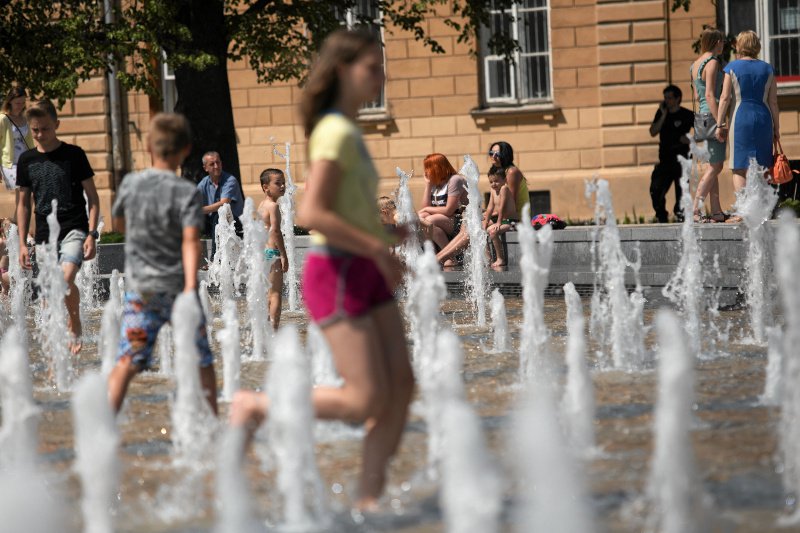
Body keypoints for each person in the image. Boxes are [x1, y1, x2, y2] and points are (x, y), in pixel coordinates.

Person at [230, 28, 414, 512]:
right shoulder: (334, 130)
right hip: (339, 273)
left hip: (364, 265)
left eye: (381, 66)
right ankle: (256, 407)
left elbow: (343, 209)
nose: (381, 76)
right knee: (362, 399)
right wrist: (377, 247)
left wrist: (391, 235)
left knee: (403, 385)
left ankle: (368, 498)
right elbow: (312, 212)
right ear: (342, 71)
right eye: (372, 67)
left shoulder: (348, 129)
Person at [107, 113, 217, 415]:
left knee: (128, 359)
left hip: (142, 293)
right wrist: (191, 289)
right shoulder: (186, 192)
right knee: (201, 359)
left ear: (147, 147)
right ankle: (212, 425)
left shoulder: (131, 184)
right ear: (186, 149)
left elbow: (118, 220)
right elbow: (190, 241)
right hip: (178, 289)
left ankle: (102, 428)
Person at [15, 99, 100, 354]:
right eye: (36, 130)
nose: (41, 135)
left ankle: (74, 324)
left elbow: (93, 199)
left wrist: (93, 234)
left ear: (57, 125)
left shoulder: (74, 155)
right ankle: (55, 349)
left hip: (74, 228)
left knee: (64, 280)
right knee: (50, 291)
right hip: (44, 236)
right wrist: (21, 242)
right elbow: (22, 205)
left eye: (46, 129)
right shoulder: (27, 160)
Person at [716, 30, 780, 222]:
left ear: (739, 46)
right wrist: (777, 129)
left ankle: (744, 212)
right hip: (763, 119)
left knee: (739, 167)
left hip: (741, 118)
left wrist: (720, 124)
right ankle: (762, 210)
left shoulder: (732, 67)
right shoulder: (768, 69)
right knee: (763, 165)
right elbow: (774, 102)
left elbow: (725, 98)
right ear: (757, 46)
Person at [436, 141, 529, 266]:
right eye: (491, 153)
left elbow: (508, 203)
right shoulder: (498, 173)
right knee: (467, 223)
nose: (493, 156)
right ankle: (440, 257)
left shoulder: (511, 172)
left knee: (474, 225)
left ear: (506, 154)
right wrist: (485, 213)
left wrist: (486, 215)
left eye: (497, 153)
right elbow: (493, 204)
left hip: (513, 217)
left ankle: (440, 259)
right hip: (499, 214)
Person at [691, 28, 728, 223]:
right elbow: (709, 95)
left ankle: (716, 212)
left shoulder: (695, 65)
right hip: (712, 116)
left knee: (711, 166)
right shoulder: (712, 63)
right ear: (716, 42)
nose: (723, 44)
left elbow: (697, 95)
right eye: (721, 41)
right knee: (716, 166)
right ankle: (695, 210)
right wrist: (720, 122)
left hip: (700, 117)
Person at [648, 85, 694, 223]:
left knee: (681, 194)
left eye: (669, 98)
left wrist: (690, 139)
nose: (666, 100)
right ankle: (661, 215)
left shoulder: (686, 114)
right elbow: (653, 132)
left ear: (678, 98)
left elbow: (702, 132)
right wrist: (663, 115)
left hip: (682, 160)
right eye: (665, 98)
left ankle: (680, 217)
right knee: (656, 189)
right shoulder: (662, 112)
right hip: (665, 160)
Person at [417, 153, 468, 254]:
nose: (426, 172)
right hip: (445, 220)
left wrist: (427, 209)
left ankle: (449, 256)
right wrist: (428, 185)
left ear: (437, 168)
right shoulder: (435, 183)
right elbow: (425, 207)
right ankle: (433, 253)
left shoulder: (455, 180)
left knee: (430, 219)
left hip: (461, 221)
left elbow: (449, 211)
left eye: (428, 168)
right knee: (420, 217)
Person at [257, 167, 288, 330]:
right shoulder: (273, 206)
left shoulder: (262, 205)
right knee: (275, 294)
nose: (282, 186)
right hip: (272, 253)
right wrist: (283, 255)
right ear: (265, 187)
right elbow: (275, 231)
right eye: (278, 183)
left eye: (283, 183)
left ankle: (265, 327)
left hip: (262, 254)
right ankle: (274, 329)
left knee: (266, 294)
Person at [196, 151, 244, 255]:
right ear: (205, 168)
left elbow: (224, 204)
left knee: (219, 214)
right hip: (214, 221)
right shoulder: (204, 183)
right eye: (212, 164)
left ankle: (214, 259)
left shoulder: (230, 180)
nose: (216, 166)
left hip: (235, 223)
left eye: (218, 162)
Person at [483, 166, 518, 267]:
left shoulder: (504, 188)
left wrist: (498, 222)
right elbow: (490, 208)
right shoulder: (493, 190)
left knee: (493, 232)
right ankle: (489, 259)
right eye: (491, 182)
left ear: (505, 180)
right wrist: (485, 223)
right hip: (503, 222)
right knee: (482, 232)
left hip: (512, 222)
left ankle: (500, 259)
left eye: (496, 181)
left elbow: (502, 207)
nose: (493, 184)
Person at [1, 87, 33, 191]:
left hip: (26, 161)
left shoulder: (25, 118)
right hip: (10, 164)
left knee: (26, 195)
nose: (21, 106)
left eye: (23, 103)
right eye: (17, 103)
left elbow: (29, 142)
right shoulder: (3, 119)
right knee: (25, 190)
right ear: (9, 102)